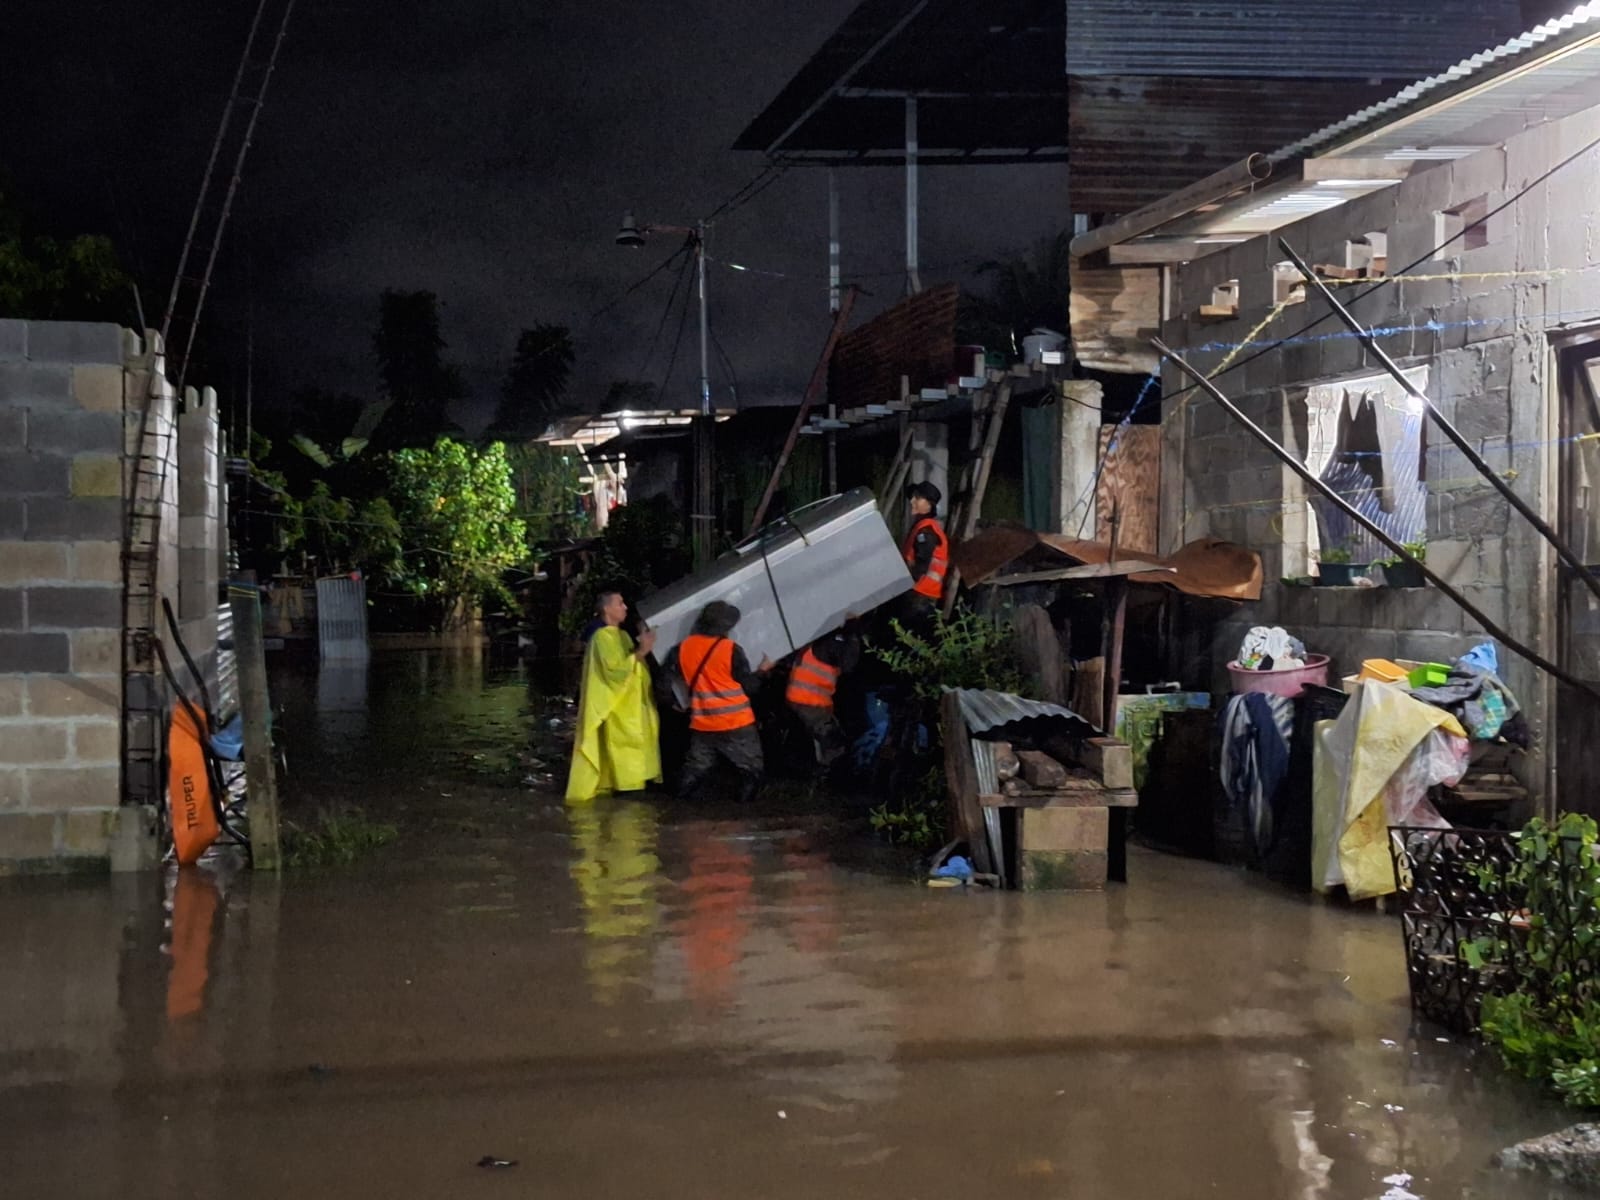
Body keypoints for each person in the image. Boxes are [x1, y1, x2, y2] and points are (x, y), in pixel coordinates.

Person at [661, 600, 773, 803]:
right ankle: (746, 816)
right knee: (751, 771)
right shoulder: (731, 649)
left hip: (703, 723)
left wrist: (672, 703)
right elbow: (749, 687)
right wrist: (764, 671)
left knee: (695, 768)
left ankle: (671, 809)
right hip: (736, 722)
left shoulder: (681, 649)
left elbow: (663, 684)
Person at [565, 591, 662, 803]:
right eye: (620, 603)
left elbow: (635, 667)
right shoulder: (601, 637)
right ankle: (627, 794)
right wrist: (642, 651)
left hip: (634, 706)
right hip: (619, 709)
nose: (625, 607)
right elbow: (614, 672)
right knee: (625, 756)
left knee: (636, 754)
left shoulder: (623, 636)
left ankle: (631, 792)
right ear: (607, 609)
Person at [785, 618, 862, 771]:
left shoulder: (816, 634)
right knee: (833, 742)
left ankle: (817, 772)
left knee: (820, 740)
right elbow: (848, 665)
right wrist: (853, 636)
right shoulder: (832, 640)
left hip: (804, 699)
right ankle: (825, 775)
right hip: (809, 701)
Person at [901, 480, 950, 626]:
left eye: (917, 498)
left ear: (929, 505)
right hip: (921, 592)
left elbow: (921, 566)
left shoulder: (927, 532)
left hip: (922, 594)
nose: (912, 501)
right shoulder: (922, 527)